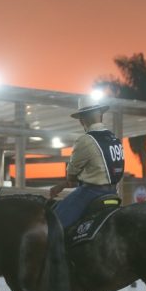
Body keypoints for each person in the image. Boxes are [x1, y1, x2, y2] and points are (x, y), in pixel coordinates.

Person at [50, 97, 125, 228]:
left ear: (82, 120)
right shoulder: (114, 139)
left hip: (91, 193)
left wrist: (67, 181)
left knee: (55, 223)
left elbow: (71, 175)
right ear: (101, 115)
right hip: (113, 192)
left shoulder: (85, 140)